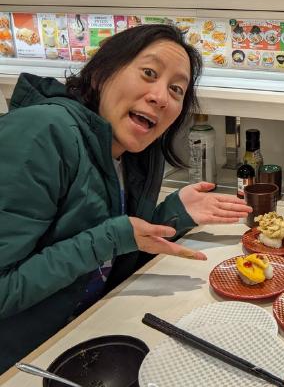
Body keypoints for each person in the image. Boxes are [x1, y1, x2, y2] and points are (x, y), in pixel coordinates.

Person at [0, 24, 252, 372]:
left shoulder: (133, 155)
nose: (161, 97)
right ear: (102, 72)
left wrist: (174, 214)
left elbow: (113, 250)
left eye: (176, 90)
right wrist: (110, 238)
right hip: (25, 363)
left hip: (86, 337)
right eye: (149, 73)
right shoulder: (41, 134)